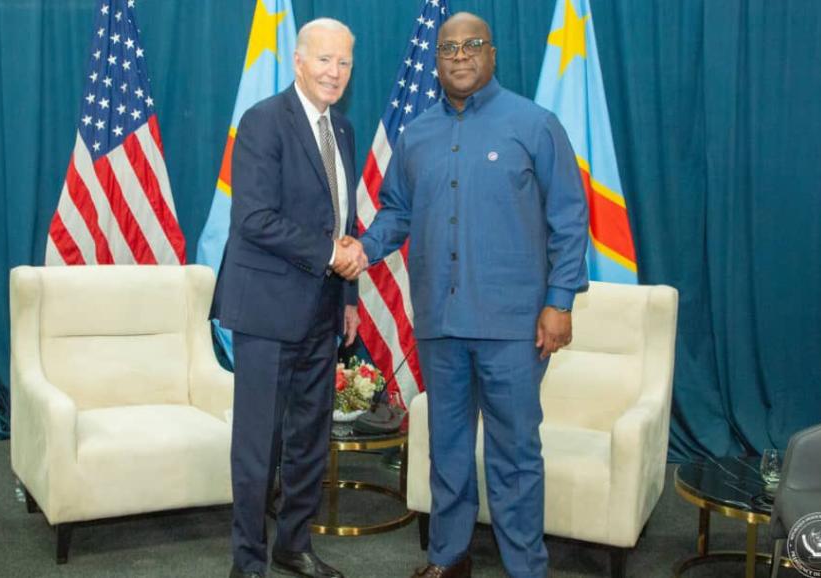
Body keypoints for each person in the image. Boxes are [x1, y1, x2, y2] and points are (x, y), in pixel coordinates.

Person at [358, 12, 589, 578]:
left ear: (492, 53)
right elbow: (397, 213)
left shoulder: (534, 124)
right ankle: (448, 557)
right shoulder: (417, 135)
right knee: (448, 450)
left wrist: (559, 302)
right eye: (448, 48)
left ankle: (525, 567)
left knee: (514, 456)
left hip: (514, 328)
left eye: (472, 45)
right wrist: (361, 250)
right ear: (435, 61)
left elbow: (568, 217)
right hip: (439, 323)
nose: (459, 56)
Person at [212, 18, 366, 578]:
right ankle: (247, 561)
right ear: (298, 61)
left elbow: (341, 220)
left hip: (323, 312)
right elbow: (253, 219)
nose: (335, 72)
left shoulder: (342, 129)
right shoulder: (262, 122)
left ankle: (292, 545)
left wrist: (347, 293)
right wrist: (331, 256)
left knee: (308, 440)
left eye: (345, 62)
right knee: (258, 446)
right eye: (324, 60)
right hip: (266, 312)